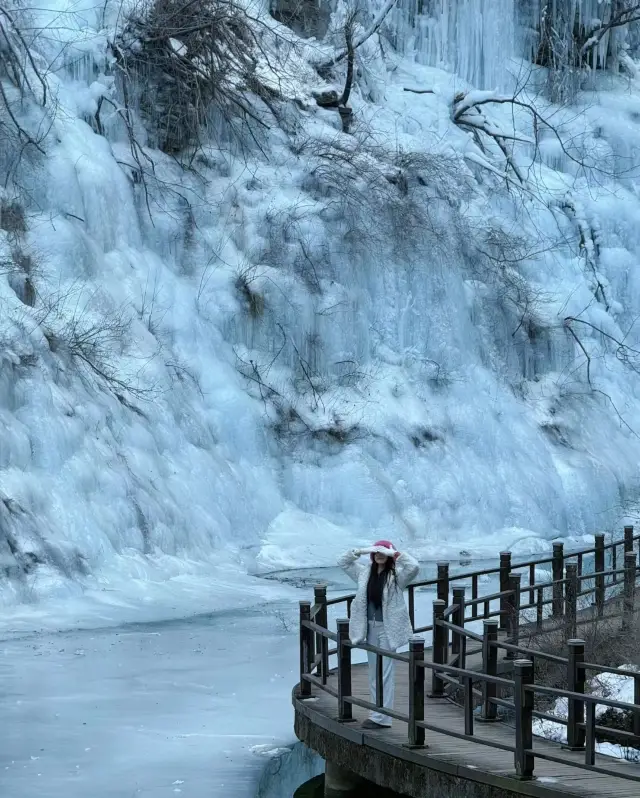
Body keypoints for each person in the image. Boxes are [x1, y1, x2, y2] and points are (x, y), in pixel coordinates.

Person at [337, 540, 419, 729]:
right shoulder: (364, 573)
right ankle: (376, 714)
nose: (379, 554)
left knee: (385, 673)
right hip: (370, 629)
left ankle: (383, 718)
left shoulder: (397, 575)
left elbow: (414, 567)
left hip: (387, 629)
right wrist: (361, 550)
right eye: (376, 552)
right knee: (375, 673)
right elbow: (343, 562)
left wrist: (396, 555)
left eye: (383, 551)